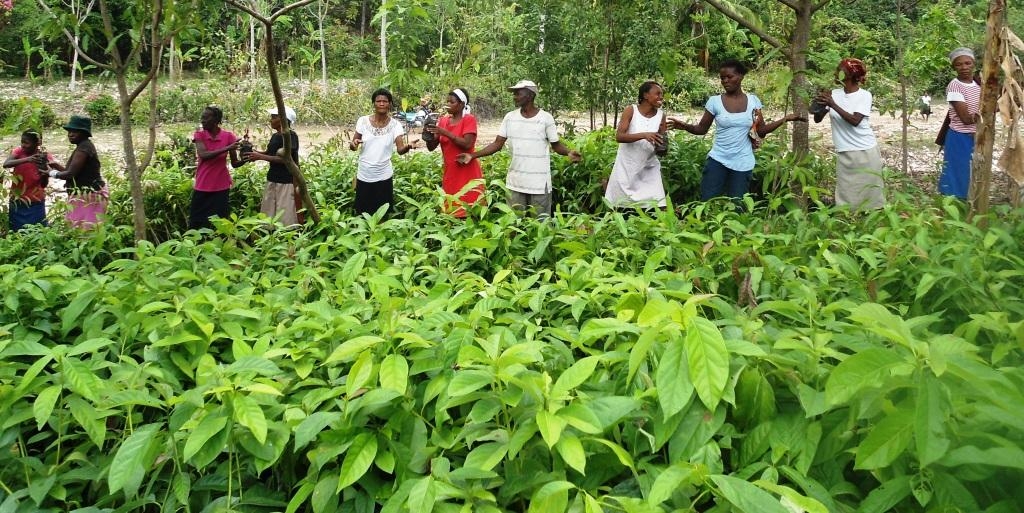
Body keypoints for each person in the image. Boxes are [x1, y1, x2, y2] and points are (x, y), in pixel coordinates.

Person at [671, 60, 803, 201]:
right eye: (722, 78)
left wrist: (785, 119)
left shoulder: (753, 101)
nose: (725, 81)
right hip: (718, 159)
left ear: (741, 77)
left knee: (738, 204)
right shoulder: (715, 102)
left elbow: (761, 131)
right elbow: (701, 129)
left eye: (729, 77)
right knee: (708, 200)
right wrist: (684, 126)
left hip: (743, 161)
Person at [456, 80, 582, 217]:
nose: (514, 97)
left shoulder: (546, 118)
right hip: (515, 183)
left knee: (540, 225)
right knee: (514, 226)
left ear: (530, 95)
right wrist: (472, 155)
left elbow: (556, 145)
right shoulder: (510, 118)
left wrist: (569, 152)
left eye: (518, 93)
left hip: (539, 184)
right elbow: (497, 144)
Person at [813, 58, 885, 211]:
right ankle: (849, 220)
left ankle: (871, 218)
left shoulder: (864, 95)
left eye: (840, 70)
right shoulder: (833, 94)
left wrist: (832, 104)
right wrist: (818, 105)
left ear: (849, 76)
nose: (836, 72)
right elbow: (817, 119)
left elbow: (855, 120)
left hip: (864, 150)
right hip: (844, 150)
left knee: (870, 192)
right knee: (846, 192)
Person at [604, 80, 670, 209]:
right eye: (657, 94)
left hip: (649, 167)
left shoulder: (661, 116)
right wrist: (644, 135)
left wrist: (662, 146)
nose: (661, 97)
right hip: (627, 165)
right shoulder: (631, 110)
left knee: (658, 205)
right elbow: (619, 136)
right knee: (620, 205)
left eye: (661, 94)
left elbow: (662, 143)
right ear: (645, 95)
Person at [350, 88, 416, 215]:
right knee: (362, 213)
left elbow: (400, 150)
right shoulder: (363, 121)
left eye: (385, 101)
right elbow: (353, 146)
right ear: (373, 103)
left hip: (384, 176)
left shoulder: (395, 125)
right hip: (364, 175)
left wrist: (408, 146)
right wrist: (354, 144)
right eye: (378, 101)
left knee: (383, 213)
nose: (381, 104)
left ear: (389, 104)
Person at [425, 88, 485, 217]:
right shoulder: (443, 121)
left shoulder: (469, 120)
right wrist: (428, 135)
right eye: (447, 101)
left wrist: (444, 132)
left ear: (462, 104)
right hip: (451, 173)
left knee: (470, 211)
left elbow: (467, 143)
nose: (448, 104)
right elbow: (431, 147)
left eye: (451, 102)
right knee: (451, 212)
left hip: (467, 172)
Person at [45, 115, 106, 228]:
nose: (70, 134)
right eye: (69, 131)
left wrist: (51, 173)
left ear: (84, 133)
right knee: (84, 230)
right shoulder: (83, 146)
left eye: (75, 131)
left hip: (88, 196)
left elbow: (70, 174)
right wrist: (57, 166)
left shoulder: (84, 149)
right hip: (84, 194)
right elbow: (74, 173)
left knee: (87, 230)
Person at [245, 106, 301, 225]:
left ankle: (286, 235)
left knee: (285, 211)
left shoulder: (291, 136)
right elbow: (269, 154)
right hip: (273, 178)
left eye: (273, 117)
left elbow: (286, 159)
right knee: (270, 209)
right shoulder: (275, 136)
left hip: (286, 180)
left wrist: (260, 157)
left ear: (283, 120)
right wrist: (254, 153)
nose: (270, 120)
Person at [191, 106, 244, 230]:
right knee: (196, 221)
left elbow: (234, 163)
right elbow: (203, 155)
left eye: (206, 118)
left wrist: (247, 158)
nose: (202, 121)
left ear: (216, 119)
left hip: (221, 186)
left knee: (220, 222)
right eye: (202, 118)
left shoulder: (228, 136)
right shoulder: (199, 135)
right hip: (202, 185)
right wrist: (227, 148)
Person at [938, 47, 981, 200]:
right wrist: (989, 110)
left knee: (972, 172)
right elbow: (966, 118)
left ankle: (969, 204)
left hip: (977, 136)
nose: (964, 67)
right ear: (953, 67)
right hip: (959, 136)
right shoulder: (954, 86)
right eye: (959, 64)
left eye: (967, 63)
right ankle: (952, 207)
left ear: (973, 64)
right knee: (957, 172)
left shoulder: (978, 83)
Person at [3, 130, 55, 231]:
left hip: (36, 200)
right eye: (22, 142)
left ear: (37, 144)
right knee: (16, 231)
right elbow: (6, 164)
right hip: (17, 199)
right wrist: (28, 159)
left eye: (26, 142)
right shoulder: (19, 152)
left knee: (37, 231)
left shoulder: (44, 157)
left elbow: (44, 184)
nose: (23, 145)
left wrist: (45, 174)